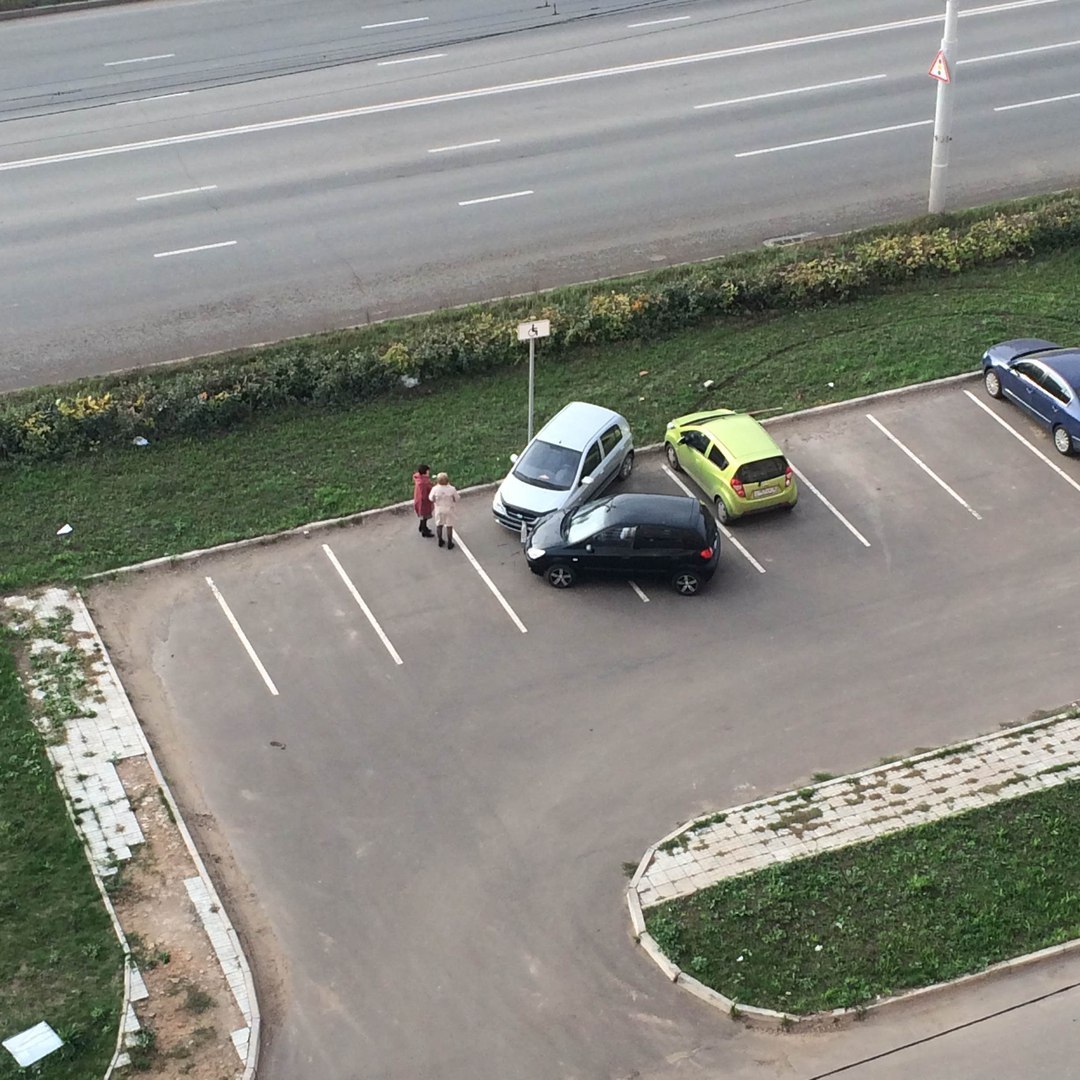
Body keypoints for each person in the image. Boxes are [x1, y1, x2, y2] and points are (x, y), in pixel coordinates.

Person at [429, 472, 460, 550]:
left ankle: (440, 540)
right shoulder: (451, 489)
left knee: (439, 525)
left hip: (439, 509)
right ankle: (450, 542)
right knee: (449, 526)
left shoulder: (435, 489)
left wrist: (435, 501)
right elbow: (457, 498)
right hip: (449, 509)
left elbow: (430, 498)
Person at [412, 465, 434, 538]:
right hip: (424, 503)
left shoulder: (419, 479)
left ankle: (421, 527)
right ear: (425, 472)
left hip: (418, 500)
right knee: (425, 516)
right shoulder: (424, 483)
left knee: (422, 516)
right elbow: (424, 494)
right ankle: (424, 530)